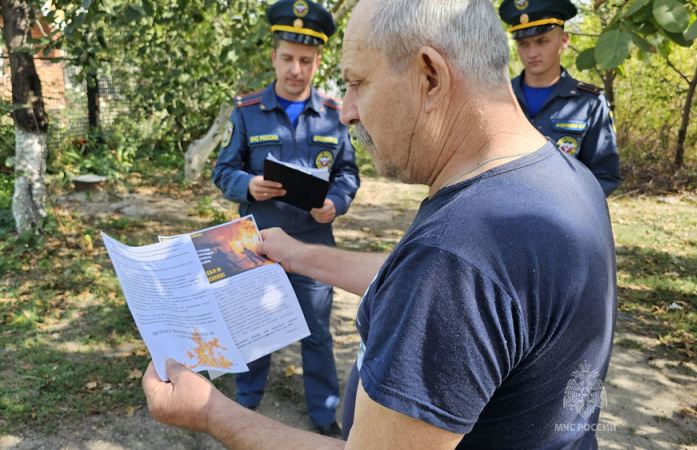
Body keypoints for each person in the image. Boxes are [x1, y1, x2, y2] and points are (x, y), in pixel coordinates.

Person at [144, 0, 617, 447]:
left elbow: (449, 281)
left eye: (357, 83)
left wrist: (209, 412)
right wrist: (301, 254)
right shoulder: (564, 179)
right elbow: (442, 286)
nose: (347, 110)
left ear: (429, 75)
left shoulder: (455, 256)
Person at [210, 0, 360, 437]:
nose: (297, 69)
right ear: (274, 56)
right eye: (289, 59)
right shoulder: (247, 110)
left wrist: (337, 202)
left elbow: (348, 173)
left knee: (317, 335)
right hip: (255, 243)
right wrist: (248, 186)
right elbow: (223, 171)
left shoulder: (334, 116)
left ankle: (323, 416)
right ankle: (247, 404)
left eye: (307, 61)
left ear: (318, 61)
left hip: (314, 244)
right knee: (253, 328)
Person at [499, 0, 621, 197]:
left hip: (564, 219)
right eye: (523, 44)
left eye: (542, 41)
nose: (532, 53)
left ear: (564, 40)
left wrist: (564, 204)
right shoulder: (498, 98)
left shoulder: (589, 103)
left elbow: (605, 175)